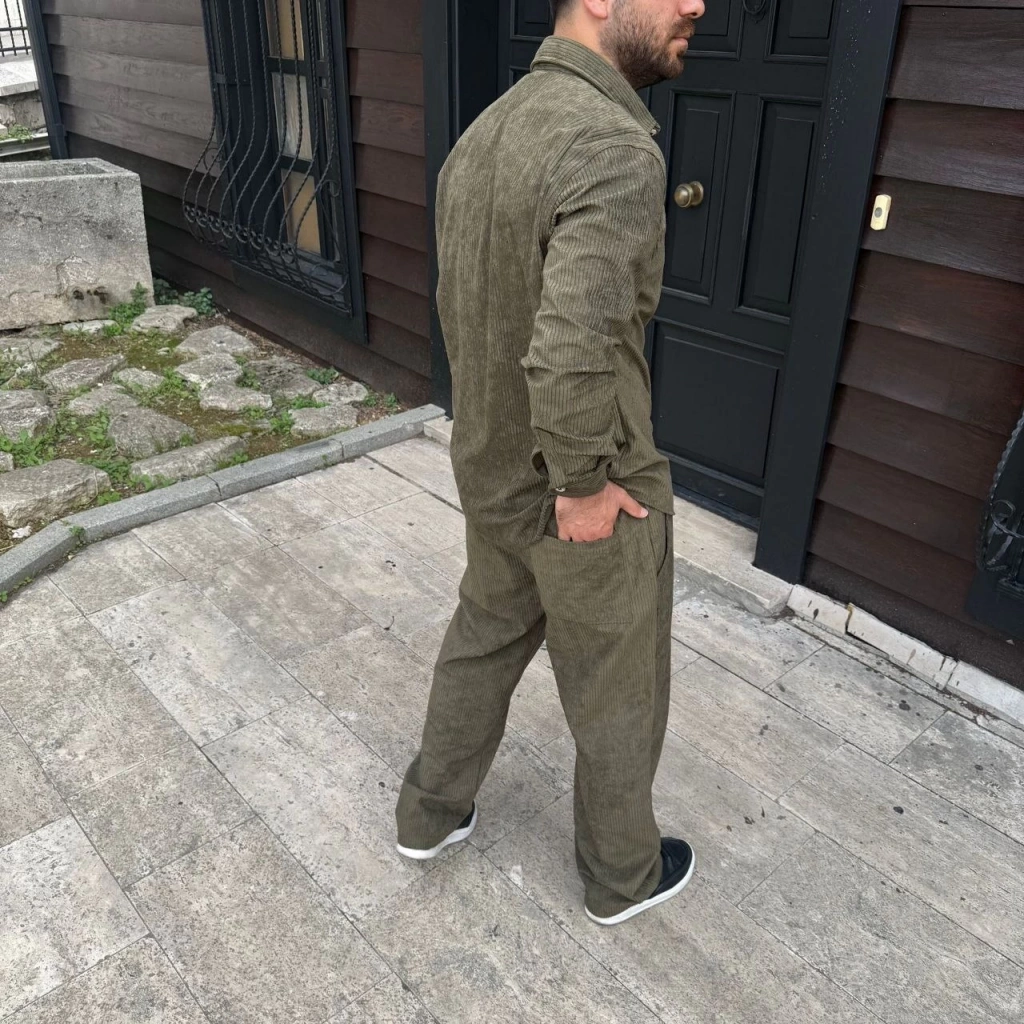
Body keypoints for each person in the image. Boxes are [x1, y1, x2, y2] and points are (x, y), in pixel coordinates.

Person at [395, 0, 706, 927]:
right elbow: (569, 350)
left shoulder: (485, 133)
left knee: (485, 635)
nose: (697, 4)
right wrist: (584, 486)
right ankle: (623, 876)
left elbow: (463, 309)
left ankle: (427, 814)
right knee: (616, 683)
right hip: (584, 478)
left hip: (491, 460)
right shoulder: (612, 146)